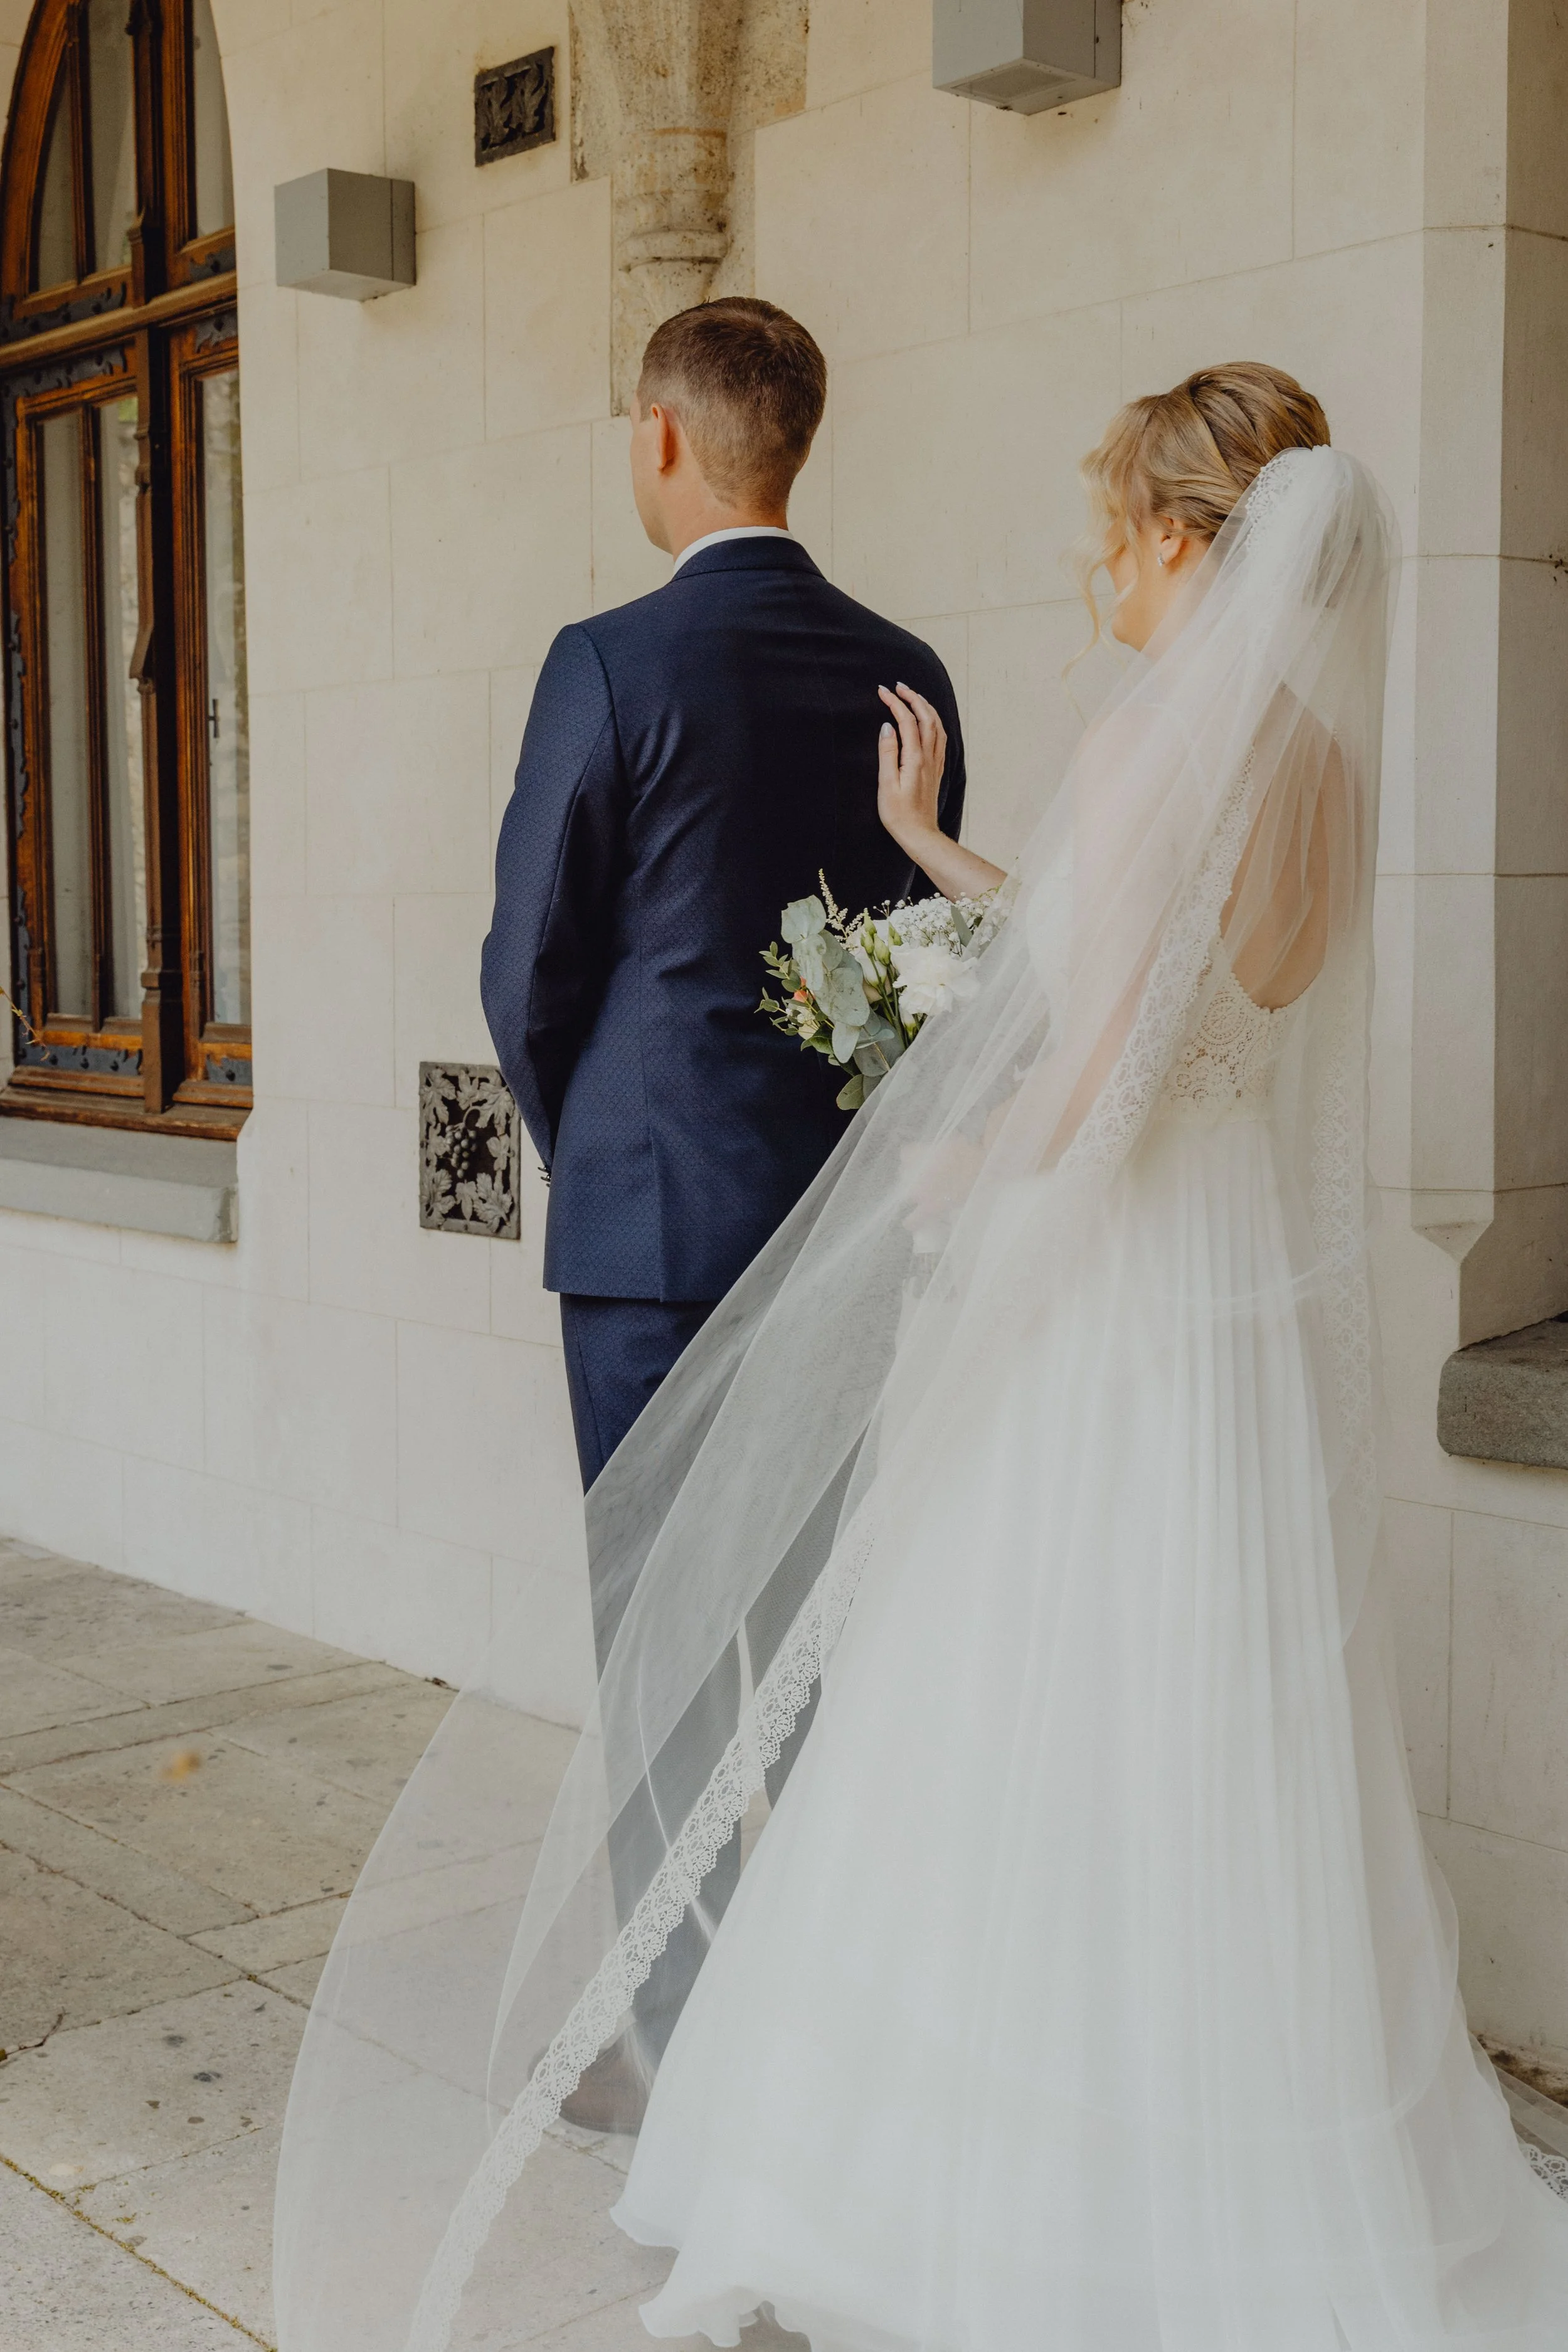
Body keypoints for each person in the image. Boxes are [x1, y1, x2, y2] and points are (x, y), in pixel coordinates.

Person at [273, 366, 1568, 2352]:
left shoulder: (1154, 743)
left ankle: (986, 2176)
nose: (1091, 565)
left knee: (1025, 1701)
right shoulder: (1316, 761)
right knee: (1205, 1711)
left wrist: (972, 1155)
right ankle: (1245, 2135)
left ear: (1187, 541)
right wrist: (927, 850)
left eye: (1111, 528)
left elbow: (1109, 1056)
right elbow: (1164, 972)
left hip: (1116, 1279)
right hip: (1221, 1301)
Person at [479, 295, 965, 2115]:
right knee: (810, 1639)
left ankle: (679, 2036)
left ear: (666, 438)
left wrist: (596, 1140)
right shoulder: (903, 666)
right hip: (843, 1232)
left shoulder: (604, 664)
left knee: (662, 1647)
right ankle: (827, 2016)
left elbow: (528, 960)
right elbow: (924, 974)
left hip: (645, 1242)